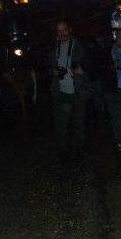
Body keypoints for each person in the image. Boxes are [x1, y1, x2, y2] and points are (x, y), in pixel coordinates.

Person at [49, 20, 90, 161]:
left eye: (64, 30)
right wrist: (52, 72)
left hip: (77, 93)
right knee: (61, 126)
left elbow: (90, 65)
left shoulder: (79, 46)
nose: (62, 33)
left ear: (70, 29)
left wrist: (82, 70)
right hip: (60, 93)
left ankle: (79, 153)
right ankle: (63, 153)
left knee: (79, 125)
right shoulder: (54, 47)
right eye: (59, 31)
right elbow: (47, 67)